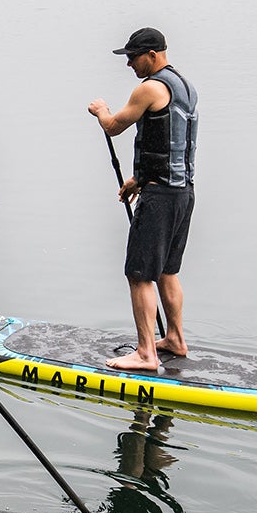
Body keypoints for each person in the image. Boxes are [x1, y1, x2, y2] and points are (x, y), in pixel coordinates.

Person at [87, 26, 198, 372]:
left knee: (139, 274)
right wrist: (139, 178)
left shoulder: (149, 87)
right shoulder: (185, 86)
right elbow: (171, 141)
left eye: (133, 57)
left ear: (152, 55)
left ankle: (146, 353)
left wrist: (101, 109)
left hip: (161, 198)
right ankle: (176, 339)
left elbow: (114, 126)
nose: (129, 64)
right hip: (182, 192)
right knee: (166, 270)